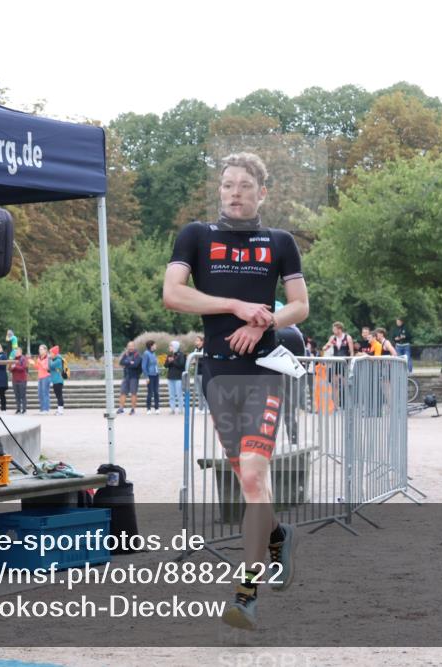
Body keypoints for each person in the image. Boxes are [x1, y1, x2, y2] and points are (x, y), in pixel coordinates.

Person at [163, 151, 308, 630]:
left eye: (245, 186)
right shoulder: (197, 236)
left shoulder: (280, 242)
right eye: (228, 185)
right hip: (218, 374)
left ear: (261, 192)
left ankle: (246, 593)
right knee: (251, 484)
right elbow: (173, 294)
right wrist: (236, 305)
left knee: (251, 477)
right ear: (220, 190)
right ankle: (278, 536)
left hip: (264, 369)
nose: (235, 193)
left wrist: (266, 317)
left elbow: (300, 306)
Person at [118, 342, 142, 415]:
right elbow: (121, 362)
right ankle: (121, 409)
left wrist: (127, 362)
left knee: (133, 393)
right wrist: (130, 362)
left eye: (132, 346)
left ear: (134, 347)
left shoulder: (138, 355)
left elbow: (135, 365)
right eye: (129, 346)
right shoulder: (126, 354)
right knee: (122, 392)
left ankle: (133, 409)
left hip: (134, 377)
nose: (130, 348)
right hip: (126, 376)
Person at [164, 341, 186, 415]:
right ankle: (172, 409)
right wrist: (169, 362)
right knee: (171, 395)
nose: (169, 347)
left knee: (179, 394)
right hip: (170, 377)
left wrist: (173, 361)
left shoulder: (181, 354)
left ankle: (180, 409)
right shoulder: (170, 355)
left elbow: (181, 365)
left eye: (171, 346)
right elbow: (165, 365)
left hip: (178, 377)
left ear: (175, 347)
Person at [142, 341, 161, 414]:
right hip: (150, 375)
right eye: (154, 345)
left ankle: (157, 408)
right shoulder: (146, 353)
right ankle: (148, 408)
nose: (156, 346)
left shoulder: (154, 353)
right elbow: (144, 366)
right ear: (151, 346)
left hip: (156, 374)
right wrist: (146, 377)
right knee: (150, 392)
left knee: (156, 392)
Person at [48, 345, 66, 415]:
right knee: (58, 396)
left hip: (58, 381)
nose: (50, 355)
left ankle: (61, 410)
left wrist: (49, 359)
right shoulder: (55, 360)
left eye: (51, 353)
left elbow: (51, 366)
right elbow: (50, 369)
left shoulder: (58, 360)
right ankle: (59, 409)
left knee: (59, 396)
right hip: (55, 381)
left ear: (55, 353)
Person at [10, 348, 29, 414]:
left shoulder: (23, 358)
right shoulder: (13, 359)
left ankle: (24, 409)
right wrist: (11, 367)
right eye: (16, 352)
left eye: (18, 352)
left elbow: (23, 368)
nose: (16, 353)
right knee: (17, 395)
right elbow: (10, 369)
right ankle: (18, 409)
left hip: (22, 380)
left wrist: (15, 367)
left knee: (22, 395)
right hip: (14, 380)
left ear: (21, 352)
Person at [33, 344, 51, 414]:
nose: (39, 351)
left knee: (45, 393)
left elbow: (46, 367)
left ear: (45, 350)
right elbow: (38, 367)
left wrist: (39, 362)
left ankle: (46, 409)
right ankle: (42, 409)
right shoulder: (39, 358)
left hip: (46, 377)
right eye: (39, 349)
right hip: (40, 377)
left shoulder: (48, 358)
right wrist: (33, 364)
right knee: (40, 393)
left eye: (41, 349)